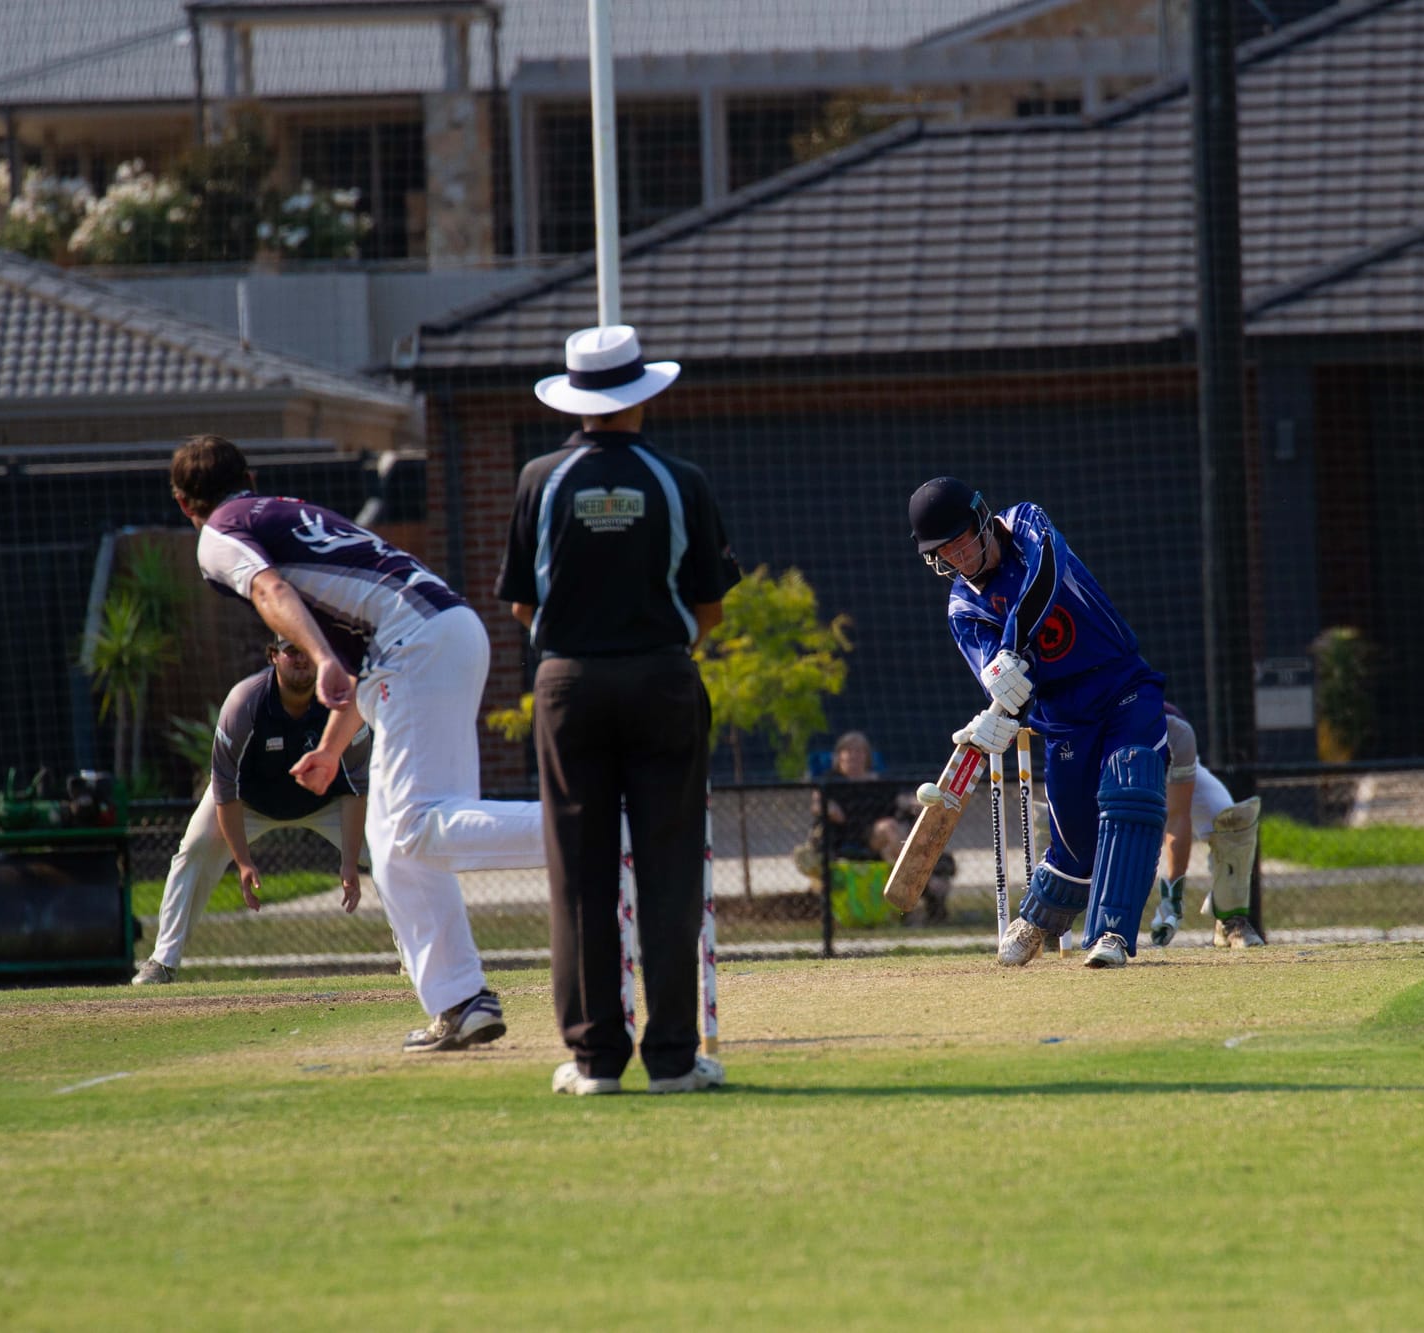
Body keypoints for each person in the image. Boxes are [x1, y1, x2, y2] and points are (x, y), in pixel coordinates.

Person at [170, 434, 541, 1053]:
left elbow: (269, 592)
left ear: (185, 504)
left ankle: (597, 829)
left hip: (415, 647)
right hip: (444, 630)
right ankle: (461, 1000)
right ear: (251, 476)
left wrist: (316, 658)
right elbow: (366, 634)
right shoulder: (290, 510)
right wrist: (334, 747)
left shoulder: (219, 533)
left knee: (416, 828)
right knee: (396, 845)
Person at [500, 325, 740, 1097]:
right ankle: (671, 1057)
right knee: (670, 872)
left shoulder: (539, 477)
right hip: (663, 680)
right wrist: (656, 649)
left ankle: (595, 1060)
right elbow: (712, 607)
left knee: (579, 877)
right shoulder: (682, 479)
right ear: (645, 394)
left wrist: (580, 650)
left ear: (575, 398)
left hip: (566, 686)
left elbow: (519, 603)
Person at [908, 477, 1168, 969]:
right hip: (1063, 715)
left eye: (961, 541)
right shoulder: (964, 608)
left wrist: (1009, 651)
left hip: (1120, 684)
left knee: (1130, 785)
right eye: (944, 552)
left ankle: (1110, 932)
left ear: (983, 521)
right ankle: (1038, 919)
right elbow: (1002, 680)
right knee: (1075, 840)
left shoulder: (1025, 524)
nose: (958, 559)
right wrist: (999, 713)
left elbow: (1045, 579)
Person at [132, 635, 371, 984]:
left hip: (327, 801)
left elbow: (356, 789)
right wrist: (243, 861)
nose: (300, 659)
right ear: (274, 656)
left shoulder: (342, 702)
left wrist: (350, 862)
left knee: (390, 849)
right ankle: (162, 962)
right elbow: (225, 791)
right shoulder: (245, 703)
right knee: (194, 849)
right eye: (291, 651)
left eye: (307, 651)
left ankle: (414, 961)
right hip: (247, 803)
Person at [799, 730, 955, 925]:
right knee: (889, 828)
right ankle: (927, 881)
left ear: (867, 756)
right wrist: (823, 804)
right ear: (839, 756)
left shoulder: (878, 781)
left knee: (894, 846)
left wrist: (922, 802)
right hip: (851, 836)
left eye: (859, 751)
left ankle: (916, 905)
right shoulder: (831, 782)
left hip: (887, 839)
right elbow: (818, 803)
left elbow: (900, 800)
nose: (854, 756)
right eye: (849, 751)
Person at [1147, 703, 1264, 949]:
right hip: (1114, 777)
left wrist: (1172, 899)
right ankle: (1053, 923)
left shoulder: (1173, 726)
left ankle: (1230, 922)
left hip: (1169, 770)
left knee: (1233, 824)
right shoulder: (1096, 719)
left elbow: (1178, 816)